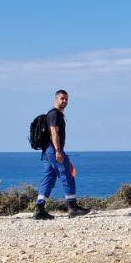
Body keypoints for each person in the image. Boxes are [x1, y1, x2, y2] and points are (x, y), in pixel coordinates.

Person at [33, 89, 86, 220]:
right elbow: (54, 133)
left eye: (66, 99)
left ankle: (39, 210)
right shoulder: (55, 114)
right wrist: (58, 150)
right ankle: (72, 208)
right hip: (53, 150)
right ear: (56, 99)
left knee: (49, 178)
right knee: (67, 174)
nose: (64, 101)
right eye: (62, 98)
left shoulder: (54, 114)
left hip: (47, 150)